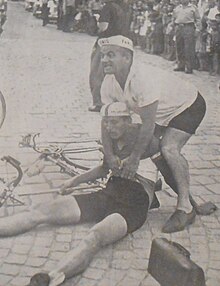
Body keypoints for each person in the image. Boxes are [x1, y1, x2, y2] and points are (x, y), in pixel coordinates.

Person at [0, 103, 159, 286]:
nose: (109, 128)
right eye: (106, 123)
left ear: (128, 121)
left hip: (133, 205)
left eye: (114, 122)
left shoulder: (145, 139)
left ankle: (51, 278)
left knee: (94, 237)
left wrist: (185, 202)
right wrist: (73, 182)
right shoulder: (112, 138)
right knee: (40, 211)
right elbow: (104, 168)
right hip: (108, 193)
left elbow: (171, 161)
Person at [99, 35, 208, 233]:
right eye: (103, 55)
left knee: (168, 148)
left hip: (187, 104)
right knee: (140, 142)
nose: (104, 60)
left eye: (111, 55)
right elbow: (107, 121)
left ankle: (186, 207)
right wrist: (109, 155)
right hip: (160, 111)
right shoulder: (109, 82)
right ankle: (152, 184)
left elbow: (148, 126)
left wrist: (133, 160)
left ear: (127, 58)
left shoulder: (142, 79)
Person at [88, 0, 130, 112]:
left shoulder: (108, 7)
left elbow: (103, 27)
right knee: (118, 73)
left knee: (97, 72)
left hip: (106, 42)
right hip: (121, 42)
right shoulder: (125, 7)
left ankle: (98, 102)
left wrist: (97, 20)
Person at [172, 0, 201, 73]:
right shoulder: (177, 8)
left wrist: (197, 29)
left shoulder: (193, 8)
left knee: (189, 48)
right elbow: (174, 18)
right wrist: (174, 27)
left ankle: (189, 67)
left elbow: (198, 19)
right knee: (179, 47)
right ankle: (180, 65)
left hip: (188, 27)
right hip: (178, 27)